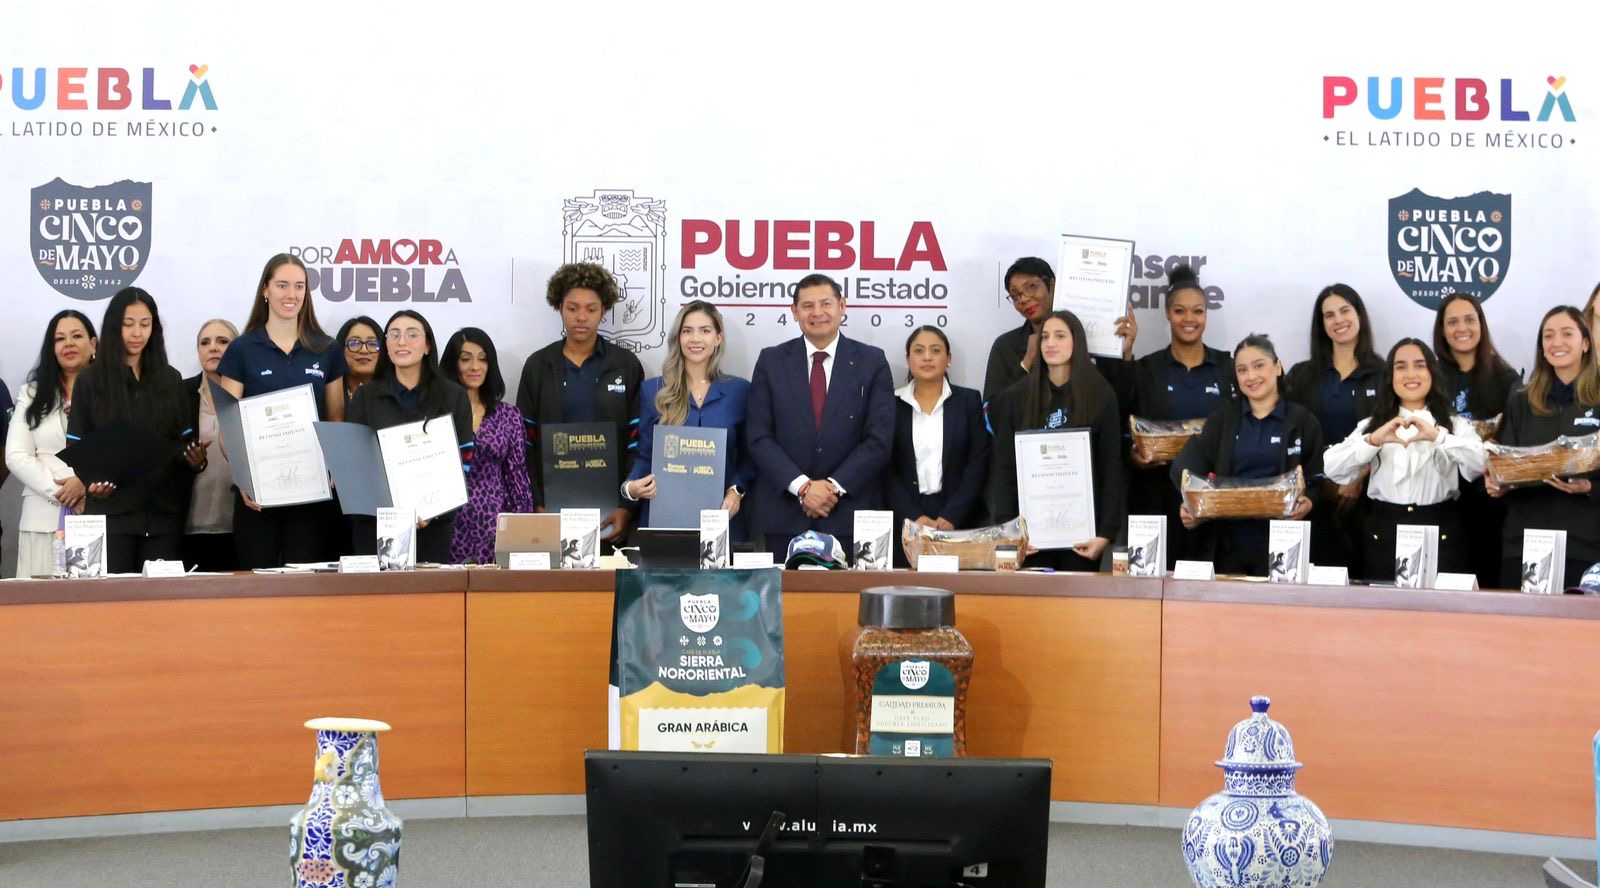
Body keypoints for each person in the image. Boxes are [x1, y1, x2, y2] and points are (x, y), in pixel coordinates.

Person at [746, 273, 895, 558]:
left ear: (842, 306)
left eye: (826, 303)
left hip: (851, 515)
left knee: (854, 590)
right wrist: (803, 487)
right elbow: (758, 437)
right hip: (784, 515)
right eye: (807, 306)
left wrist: (831, 488)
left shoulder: (872, 361)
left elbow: (879, 439)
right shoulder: (771, 361)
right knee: (785, 590)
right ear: (794, 311)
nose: (817, 313)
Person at [215, 253, 348, 568]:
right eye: (282, 285)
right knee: (256, 587)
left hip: (311, 496)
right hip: (258, 495)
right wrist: (244, 478)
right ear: (266, 290)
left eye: (299, 286)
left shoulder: (327, 349)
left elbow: (336, 421)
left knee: (306, 587)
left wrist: (332, 470)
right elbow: (228, 428)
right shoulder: (241, 349)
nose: (291, 294)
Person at [66, 288, 207, 573]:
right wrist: (92, 481)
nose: (137, 333)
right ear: (114, 326)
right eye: (128, 324)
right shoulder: (91, 380)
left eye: (145, 323)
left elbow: (183, 444)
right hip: (110, 516)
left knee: (159, 599)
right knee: (109, 598)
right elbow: (76, 445)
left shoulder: (171, 379)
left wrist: (195, 460)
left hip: (163, 518)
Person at [1322, 339, 1484, 582]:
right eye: (1401, 367)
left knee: (1442, 605)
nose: (1411, 374)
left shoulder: (1454, 424)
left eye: (1420, 365)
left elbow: (1481, 463)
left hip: (1441, 530)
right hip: (1384, 531)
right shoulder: (1373, 425)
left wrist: (1439, 437)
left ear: (1432, 373)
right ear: (1390, 376)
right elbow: (1332, 467)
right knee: (1385, 605)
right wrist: (1373, 441)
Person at [1171, 334, 1321, 576]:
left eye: (1259, 365)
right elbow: (1185, 468)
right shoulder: (1222, 421)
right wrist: (1192, 506)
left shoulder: (1303, 421)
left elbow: (1317, 481)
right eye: (1242, 370)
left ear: (1278, 367)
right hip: (1228, 546)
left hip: (1286, 546)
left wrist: (1309, 501)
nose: (1251, 376)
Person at [516, 262, 644, 545]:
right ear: (559, 308)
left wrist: (627, 507)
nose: (581, 317)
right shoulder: (538, 366)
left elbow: (638, 442)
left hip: (611, 515)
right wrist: (535, 503)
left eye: (591, 309)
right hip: (550, 511)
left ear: (604, 310)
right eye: (572, 308)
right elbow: (525, 443)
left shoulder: (626, 365)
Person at [987, 310, 1123, 571]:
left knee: (1077, 598)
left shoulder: (1101, 395)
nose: (1050, 343)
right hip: (1030, 539)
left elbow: (1110, 468)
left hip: (1084, 538)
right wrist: (1010, 531)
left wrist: (1105, 534)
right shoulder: (1017, 396)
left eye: (1060, 336)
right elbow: (1005, 469)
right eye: (1045, 337)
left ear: (1076, 342)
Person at [1120, 264, 1235, 568]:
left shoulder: (1227, 368)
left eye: (1198, 311)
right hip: (1155, 497)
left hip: (1212, 501)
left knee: (1208, 588)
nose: (1189, 319)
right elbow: (1123, 427)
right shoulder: (1146, 369)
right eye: (1180, 311)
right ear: (1167, 314)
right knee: (1151, 584)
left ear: (1206, 315)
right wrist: (1133, 455)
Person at [1487, 306, 1600, 591]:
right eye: (1548, 336)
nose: (1556, 342)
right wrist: (1496, 483)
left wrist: (1590, 487)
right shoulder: (1521, 400)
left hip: (1585, 543)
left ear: (1586, 343)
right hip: (1525, 542)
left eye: (1567, 334)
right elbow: (1504, 462)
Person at [346, 310, 473, 563]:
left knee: (428, 589)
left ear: (427, 346)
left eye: (412, 334)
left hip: (433, 526)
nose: (401, 341)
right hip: (376, 525)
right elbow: (356, 463)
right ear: (386, 346)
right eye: (394, 335)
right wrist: (391, 512)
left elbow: (464, 460)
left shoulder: (453, 396)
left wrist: (432, 510)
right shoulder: (365, 397)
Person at [624, 300, 754, 538]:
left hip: (723, 518)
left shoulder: (740, 391)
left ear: (718, 338)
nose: (696, 339)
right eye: (687, 331)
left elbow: (750, 456)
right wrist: (630, 488)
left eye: (705, 330)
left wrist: (737, 490)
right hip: (665, 517)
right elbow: (645, 455)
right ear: (678, 338)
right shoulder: (653, 391)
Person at [1285, 284, 1384, 575]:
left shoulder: (1384, 374)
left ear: (1359, 315)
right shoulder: (1302, 376)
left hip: (1366, 503)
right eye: (1329, 315)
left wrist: (1358, 476)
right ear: (1322, 325)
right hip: (1312, 502)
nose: (1338, 320)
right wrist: (1317, 486)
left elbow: (1391, 435)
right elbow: (1288, 435)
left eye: (1344, 311)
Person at [1433, 292, 1522, 589]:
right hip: (1442, 499)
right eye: (1453, 322)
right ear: (1442, 330)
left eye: (1470, 319)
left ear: (1481, 325)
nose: (1462, 328)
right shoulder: (1429, 376)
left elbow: (1512, 441)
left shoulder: (1506, 378)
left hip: (1490, 502)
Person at [5, 310, 97, 577]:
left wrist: (84, 484)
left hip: (94, 517)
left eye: (76, 336)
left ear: (93, 344)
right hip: (41, 518)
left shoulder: (113, 392)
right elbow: (16, 455)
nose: (68, 343)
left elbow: (119, 451)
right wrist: (65, 492)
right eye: (60, 338)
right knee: (39, 603)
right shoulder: (31, 394)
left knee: (95, 602)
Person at [887, 326, 989, 565]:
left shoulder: (968, 401)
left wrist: (953, 515)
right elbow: (885, 468)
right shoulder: (891, 404)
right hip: (906, 519)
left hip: (958, 518)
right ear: (908, 359)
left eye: (935, 350)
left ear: (948, 359)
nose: (927, 357)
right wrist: (914, 516)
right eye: (918, 351)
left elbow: (979, 462)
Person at [982, 257, 1136, 404]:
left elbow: (1120, 405)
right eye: (1015, 295)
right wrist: (1026, 363)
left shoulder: (1094, 338)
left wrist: (1125, 355)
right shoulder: (1006, 346)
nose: (1023, 299)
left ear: (1053, 285)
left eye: (1031, 287)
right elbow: (991, 414)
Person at [441, 327, 535, 564]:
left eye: (483, 359)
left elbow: (517, 478)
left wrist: (524, 533)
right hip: (446, 525)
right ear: (453, 364)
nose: (475, 367)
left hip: (495, 528)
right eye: (466, 359)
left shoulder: (508, 415)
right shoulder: (435, 414)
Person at [182, 319, 241, 572]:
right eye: (205, 342)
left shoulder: (252, 394)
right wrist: (189, 460)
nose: (213, 347)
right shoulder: (180, 393)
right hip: (187, 527)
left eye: (223, 341)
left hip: (239, 527)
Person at [336, 315, 383, 404]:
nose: (364, 350)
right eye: (354, 343)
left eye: (372, 344)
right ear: (341, 349)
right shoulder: (327, 394)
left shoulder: (394, 395)